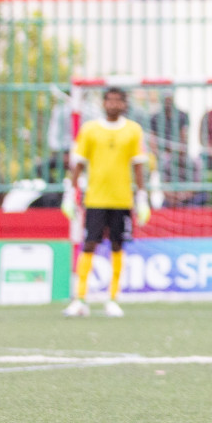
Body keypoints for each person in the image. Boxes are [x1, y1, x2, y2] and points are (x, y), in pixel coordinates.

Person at [61, 87, 149, 318]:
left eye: (118, 100)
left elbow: (138, 165)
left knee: (118, 246)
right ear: (103, 103)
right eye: (110, 100)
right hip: (95, 199)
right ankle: (80, 299)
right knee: (89, 244)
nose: (114, 104)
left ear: (125, 104)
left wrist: (142, 198)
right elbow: (79, 163)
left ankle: (113, 299)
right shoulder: (90, 129)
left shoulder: (133, 130)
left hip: (122, 199)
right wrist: (70, 194)